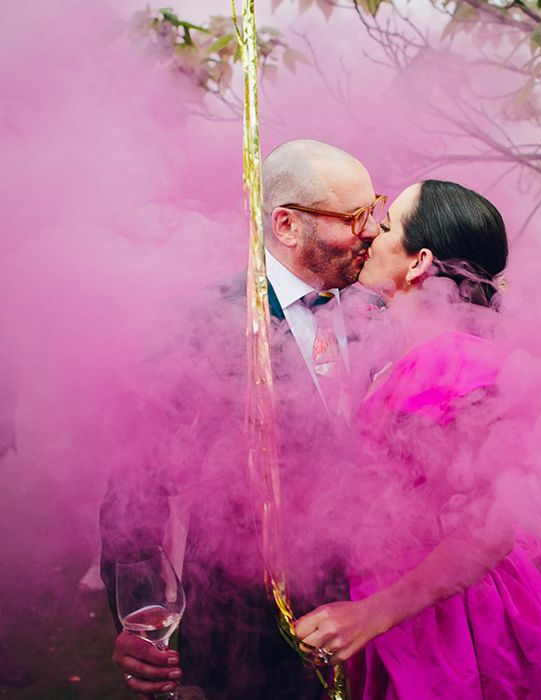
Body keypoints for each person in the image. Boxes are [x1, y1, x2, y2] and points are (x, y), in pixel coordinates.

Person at [295, 180, 541, 699]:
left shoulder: (459, 363)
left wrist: (371, 615)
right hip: (401, 607)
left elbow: (489, 530)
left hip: (454, 626)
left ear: (418, 263)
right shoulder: (404, 355)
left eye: (386, 227)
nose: (371, 234)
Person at [100, 139, 384, 699]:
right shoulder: (200, 324)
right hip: (246, 634)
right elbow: (137, 484)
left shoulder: (377, 308)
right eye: (354, 217)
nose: (371, 230)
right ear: (286, 225)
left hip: (377, 621)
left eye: (373, 209)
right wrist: (141, 614)